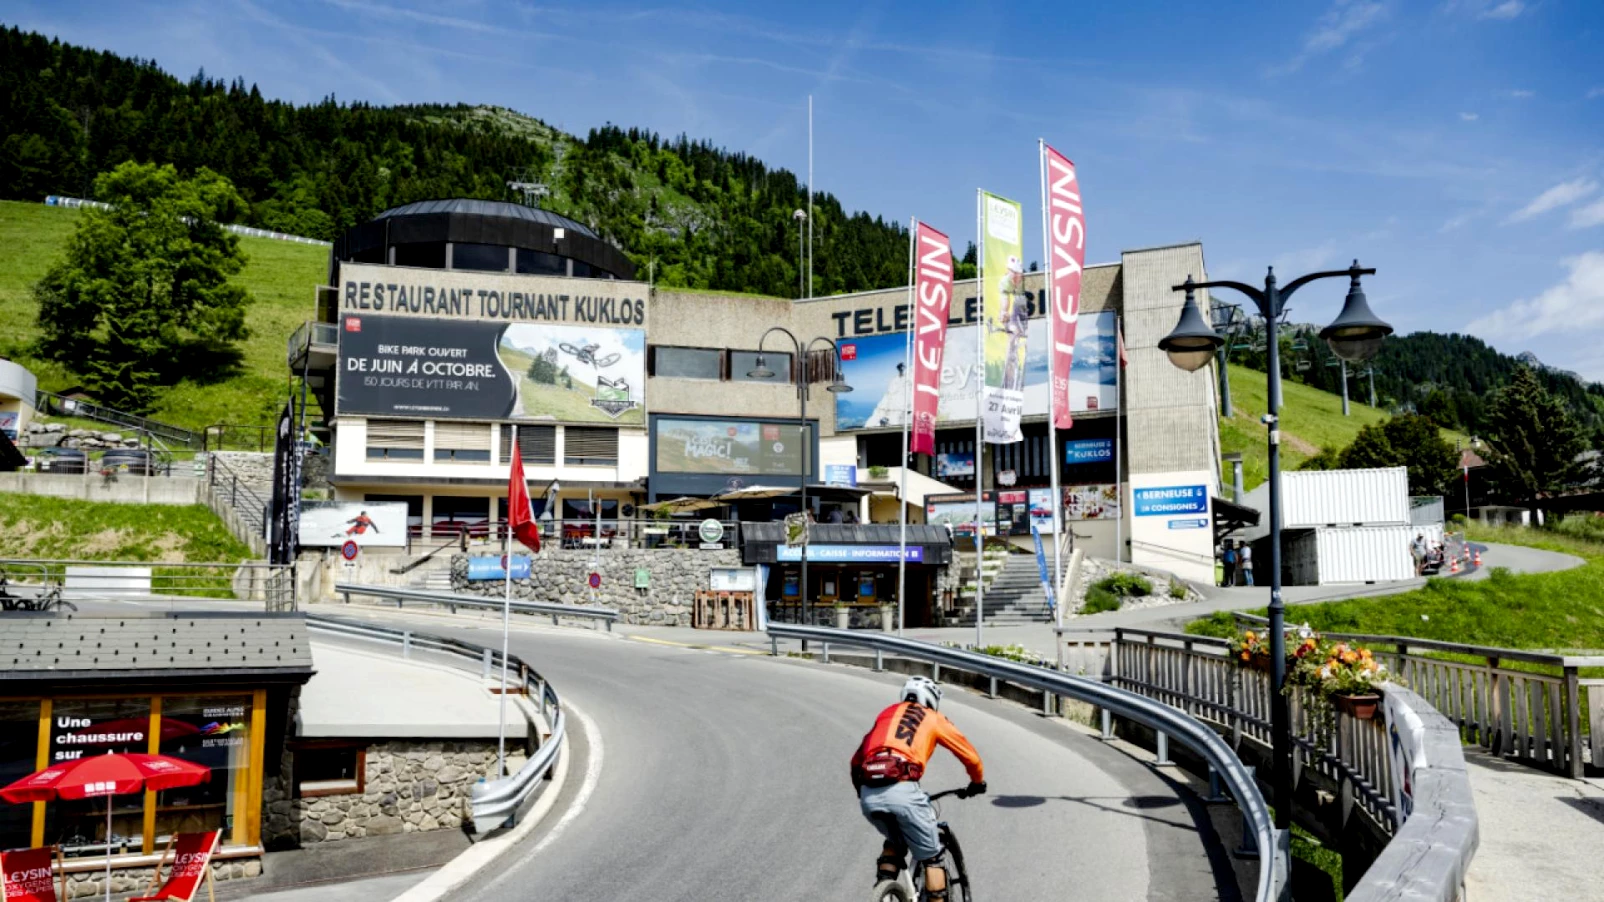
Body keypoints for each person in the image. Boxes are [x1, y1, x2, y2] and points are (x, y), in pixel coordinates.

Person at [851, 676, 986, 898]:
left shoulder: (887, 713)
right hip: (903, 791)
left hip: (869, 792)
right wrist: (977, 782)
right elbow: (970, 756)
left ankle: (884, 892)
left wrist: (863, 793)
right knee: (932, 858)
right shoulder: (932, 717)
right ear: (932, 700)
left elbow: (856, 761)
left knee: (895, 842)